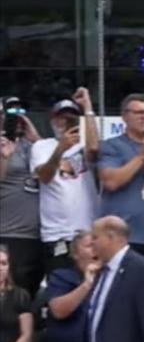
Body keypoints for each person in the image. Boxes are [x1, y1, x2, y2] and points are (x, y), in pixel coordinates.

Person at [96, 95, 144, 262]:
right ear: (124, 116)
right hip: (120, 239)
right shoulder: (111, 145)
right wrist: (143, 155)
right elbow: (111, 182)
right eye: (138, 112)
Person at [31, 94, 100, 272]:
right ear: (52, 120)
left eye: (71, 118)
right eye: (61, 117)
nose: (65, 121)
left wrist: (88, 108)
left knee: (90, 284)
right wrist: (61, 148)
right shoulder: (41, 146)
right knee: (60, 285)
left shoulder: (84, 145)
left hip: (87, 231)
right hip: (57, 233)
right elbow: (44, 177)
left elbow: (94, 149)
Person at [0, 109, 42, 296]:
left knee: (29, 294)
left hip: (38, 234)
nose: (14, 120)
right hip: (8, 231)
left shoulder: (34, 145)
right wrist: (5, 157)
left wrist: (36, 139)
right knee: (8, 291)